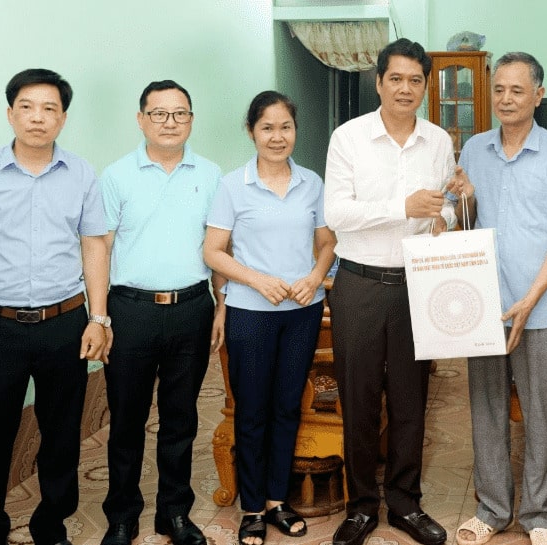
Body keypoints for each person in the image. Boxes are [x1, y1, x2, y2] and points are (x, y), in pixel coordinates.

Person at [0, 68, 109, 545]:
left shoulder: (81, 173)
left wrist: (98, 318)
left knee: (61, 435)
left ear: (62, 118)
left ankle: (50, 523)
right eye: (28, 107)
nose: (38, 118)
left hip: (65, 323)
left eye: (50, 109)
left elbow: (94, 245)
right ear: (10, 112)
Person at [448, 52, 547, 545]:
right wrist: (462, 196)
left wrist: (529, 300)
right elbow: (464, 219)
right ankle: (491, 509)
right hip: (483, 305)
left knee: (544, 414)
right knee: (486, 410)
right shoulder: (474, 151)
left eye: (517, 91)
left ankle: (542, 516)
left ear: (538, 96)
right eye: (499, 90)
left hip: (540, 308)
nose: (506, 99)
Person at [324, 37, 455, 545]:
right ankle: (360, 506)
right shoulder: (349, 138)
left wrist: (443, 217)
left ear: (426, 87)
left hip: (418, 285)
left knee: (410, 399)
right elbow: (337, 214)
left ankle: (404, 502)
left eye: (415, 80)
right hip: (358, 282)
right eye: (395, 78)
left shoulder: (439, 141)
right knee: (358, 398)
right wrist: (405, 205)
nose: (405, 88)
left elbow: (439, 210)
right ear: (378, 82)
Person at [203, 90, 336, 545]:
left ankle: (278, 501)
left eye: (285, 127)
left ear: (295, 131)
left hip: (302, 311)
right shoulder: (231, 185)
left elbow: (326, 242)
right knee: (252, 410)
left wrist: (315, 277)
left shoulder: (312, 183)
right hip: (250, 313)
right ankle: (252, 507)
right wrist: (259, 281)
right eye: (267, 127)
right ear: (251, 131)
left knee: (287, 407)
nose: (277, 137)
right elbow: (213, 252)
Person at [98, 80, 224, 545]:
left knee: (180, 420)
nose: (170, 122)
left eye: (180, 113)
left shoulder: (211, 175)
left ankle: (173, 513)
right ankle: (122, 516)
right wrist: (100, 317)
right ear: (141, 119)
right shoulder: (115, 176)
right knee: (126, 421)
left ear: (191, 120)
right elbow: (100, 249)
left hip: (192, 308)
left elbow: (219, 247)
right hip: (130, 311)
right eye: (159, 113)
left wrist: (221, 307)